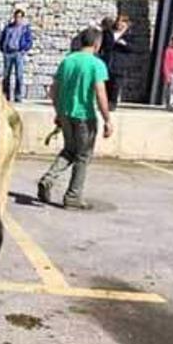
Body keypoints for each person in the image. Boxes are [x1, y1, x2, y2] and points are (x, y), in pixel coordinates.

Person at [37, 27, 113, 210]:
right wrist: (107, 119)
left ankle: (48, 178)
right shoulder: (96, 64)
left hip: (66, 114)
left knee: (69, 150)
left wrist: (58, 112)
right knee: (83, 156)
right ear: (97, 43)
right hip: (84, 117)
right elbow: (100, 93)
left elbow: (53, 89)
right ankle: (73, 196)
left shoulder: (67, 61)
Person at [0, 8, 34, 102]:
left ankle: (18, 96)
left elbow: (29, 41)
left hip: (18, 53)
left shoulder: (25, 29)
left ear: (22, 18)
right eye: (16, 17)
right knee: (6, 75)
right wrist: (3, 48)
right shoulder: (8, 27)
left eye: (19, 17)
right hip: (8, 53)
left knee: (19, 75)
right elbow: (2, 38)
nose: (17, 19)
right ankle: (6, 95)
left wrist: (24, 49)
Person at [100, 13, 134, 110]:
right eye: (118, 21)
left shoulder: (129, 35)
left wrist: (124, 44)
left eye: (122, 22)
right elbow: (104, 45)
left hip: (120, 62)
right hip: (108, 60)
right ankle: (104, 103)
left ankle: (112, 103)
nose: (119, 24)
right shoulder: (109, 32)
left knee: (116, 84)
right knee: (106, 82)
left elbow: (132, 48)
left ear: (127, 24)